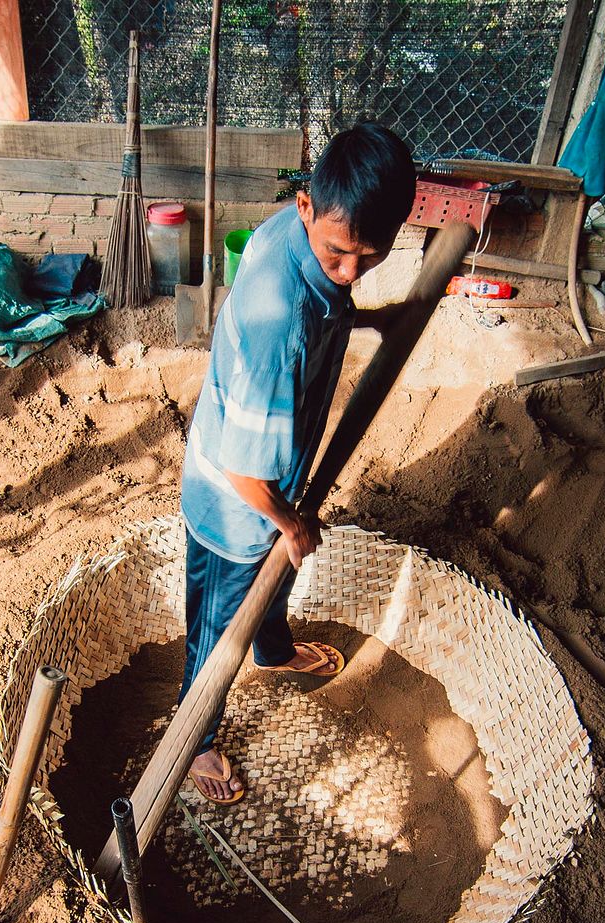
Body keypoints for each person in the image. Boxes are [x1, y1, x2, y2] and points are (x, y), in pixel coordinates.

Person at [178, 122, 416, 804]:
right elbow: (243, 470)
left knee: (271, 582)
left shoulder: (297, 227)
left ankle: (274, 648)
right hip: (236, 499)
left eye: (370, 258)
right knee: (219, 624)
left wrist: (374, 317)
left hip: (266, 464)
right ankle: (195, 741)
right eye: (340, 254)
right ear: (308, 205)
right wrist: (289, 523)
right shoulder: (279, 327)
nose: (350, 271)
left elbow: (331, 298)